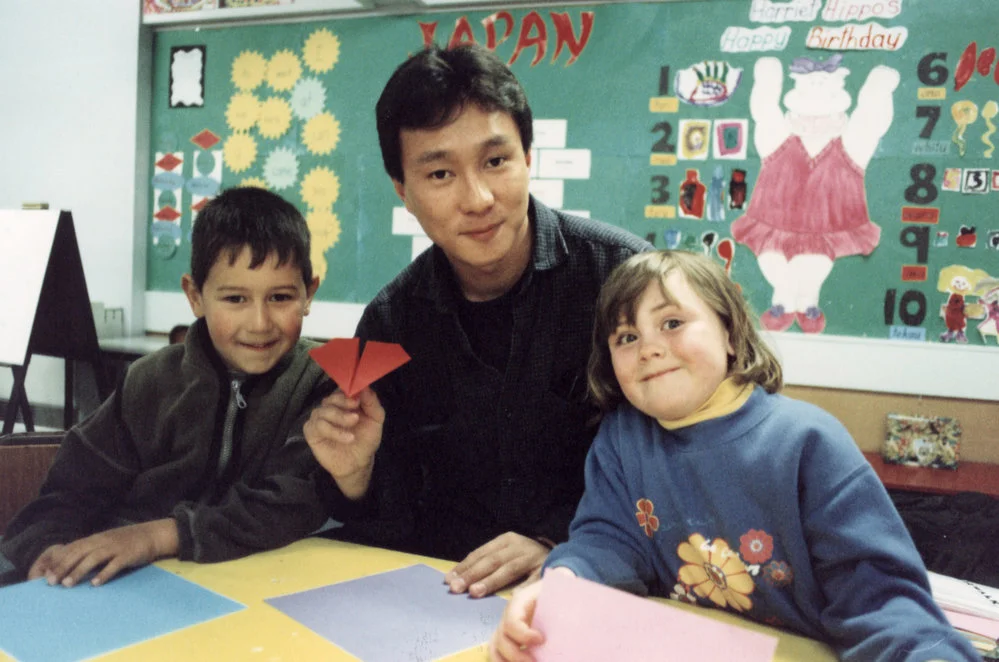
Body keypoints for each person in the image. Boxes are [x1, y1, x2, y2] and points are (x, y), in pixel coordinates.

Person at [490, 250, 978, 662]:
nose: (649, 349)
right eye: (627, 337)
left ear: (729, 333)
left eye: (672, 323)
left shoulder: (807, 442)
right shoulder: (622, 439)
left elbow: (883, 600)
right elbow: (608, 542)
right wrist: (564, 582)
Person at [304, 43, 651, 598]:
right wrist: (354, 474)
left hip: (593, 589)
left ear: (528, 157)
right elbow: (388, 516)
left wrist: (564, 544)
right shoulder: (393, 323)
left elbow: (686, 455)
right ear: (404, 192)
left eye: (495, 161)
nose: (479, 198)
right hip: (445, 598)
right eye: (441, 173)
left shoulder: (626, 282)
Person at [0, 187, 332, 588]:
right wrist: (46, 549)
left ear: (309, 294)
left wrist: (156, 536)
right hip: (130, 585)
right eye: (235, 298)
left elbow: (292, 504)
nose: (260, 323)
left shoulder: (319, 382)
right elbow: (65, 495)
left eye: (280, 297)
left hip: (258, 584)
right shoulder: (147, 381)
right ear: (195, 296)